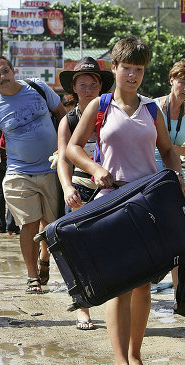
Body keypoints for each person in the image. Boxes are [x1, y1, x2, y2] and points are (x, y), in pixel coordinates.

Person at [67, 36, 185, 365]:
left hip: (147, 202)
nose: (133, 75)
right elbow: (73, 148)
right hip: (112, 203)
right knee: (118, 285)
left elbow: (167, 151)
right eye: (127, 68)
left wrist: (178, 175)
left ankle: (136, 356)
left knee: (143, 285)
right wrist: (95, 169)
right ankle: (120, 362)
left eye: (139, 69)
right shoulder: (100, 105)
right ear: (115, 68)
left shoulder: (152, 109)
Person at [0, 57, 66, 294]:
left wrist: (67, 152)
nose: (3, 77)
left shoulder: (38, 88)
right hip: (18, 172)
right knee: (29, 223)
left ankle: (44, 256)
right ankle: (32, 276)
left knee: (52, 224)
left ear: (14, 71)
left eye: (6, 71)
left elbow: (61, 115)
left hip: (53, 168)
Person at [57, 57, 114, 332]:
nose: (88, 89)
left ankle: (116, 305)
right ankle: (83, 309)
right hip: (80, 189)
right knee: (76, 250)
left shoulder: (113, 114)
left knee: (111, 248)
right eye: (83, 85)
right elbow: (64, 160)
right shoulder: (69, 121)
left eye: (93, 84)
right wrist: (67, 188)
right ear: (74, 89)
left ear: (101, 86)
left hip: (111, 188)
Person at [153, 59, 185, 171]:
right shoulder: (153, 106)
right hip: (150, 169)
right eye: (182, 83)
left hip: (174, 169)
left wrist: (177, 150)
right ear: (172, 80)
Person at [0, 129, 19, 235]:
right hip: (8, 158)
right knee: (12, 191)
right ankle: (11, 225)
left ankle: (0, 226)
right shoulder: (7, 118)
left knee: (1, 193)